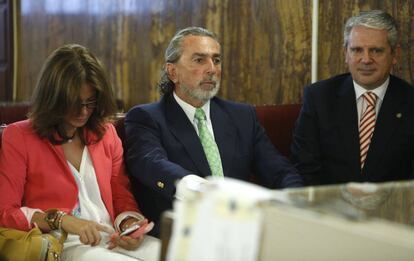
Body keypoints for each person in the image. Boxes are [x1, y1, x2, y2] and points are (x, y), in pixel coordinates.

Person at [124, 26, 304, 236]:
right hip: (185, 233)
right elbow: (151, 163)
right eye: (199, 60)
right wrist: (204, 191)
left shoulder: (242, 116)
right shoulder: (147, 118)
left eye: (216, 60)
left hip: (242, 230)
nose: (212, 69)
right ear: (173, 72)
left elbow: (279, 171)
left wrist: (297, 202)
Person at [0, 44, 160, 260]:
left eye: (90, 102)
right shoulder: (19, 136)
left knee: (179, 254)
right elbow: (5, 212)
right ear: (53, 98)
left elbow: (121, 195)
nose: (83, 112)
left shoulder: (106, 133)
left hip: (109, 236)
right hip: (63, 242)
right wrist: (61, 219)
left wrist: (129, 224)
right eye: (74, 103)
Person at [291, 10, 414, 186]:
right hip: (329, 209)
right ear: (345, 54)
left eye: (376, 51)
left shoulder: (410, 103)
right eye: (357, 50)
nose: (366, 59)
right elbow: (303, 168)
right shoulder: (319, 98)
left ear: (395, 54)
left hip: (392, 211)